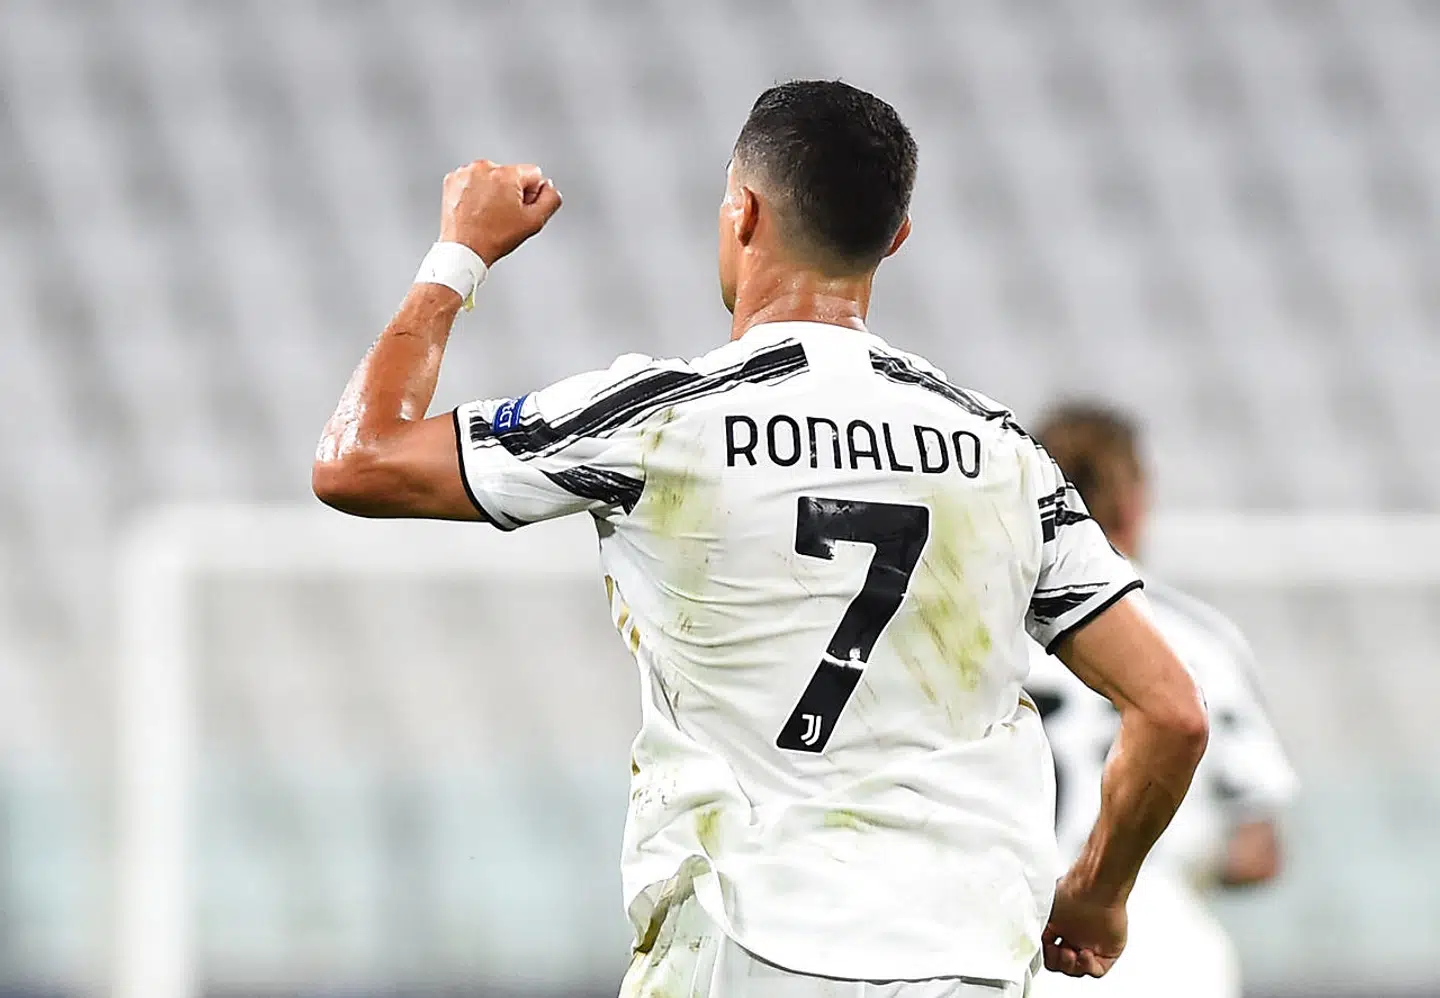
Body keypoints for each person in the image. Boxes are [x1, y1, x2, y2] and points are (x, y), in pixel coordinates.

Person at [312, 80, 1208, 998]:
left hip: (751, 937)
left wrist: (459, 252)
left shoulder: (661, 418)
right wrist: (1100, 893)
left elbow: (358, 461)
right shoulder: (1003, 454)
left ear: (741, 212)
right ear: (895, 238)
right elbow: (1172, 712)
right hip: (965, 952)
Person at [1024, 403, 1297, 998]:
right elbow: (1259, 850)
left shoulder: (989, 638)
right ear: (1132, 503)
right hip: (1164, 943)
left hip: (1021, 932)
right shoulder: (1201, 640)